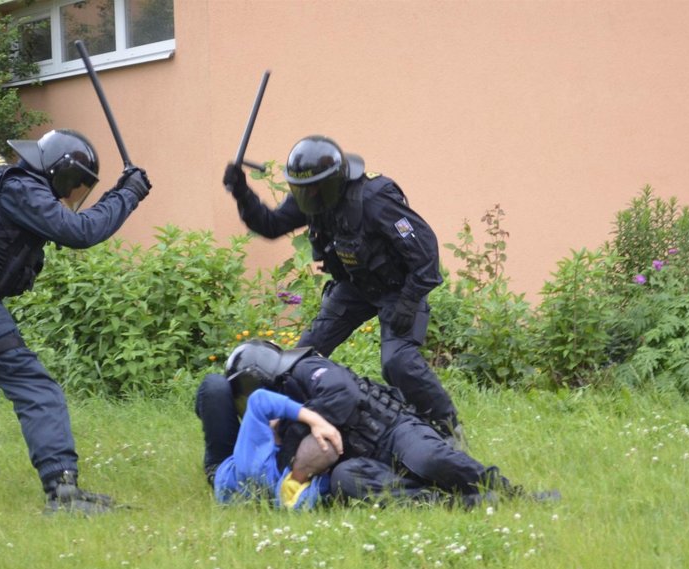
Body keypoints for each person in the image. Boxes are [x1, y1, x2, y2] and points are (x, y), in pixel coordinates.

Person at [0, 129, 151, 513]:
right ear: (59, 170)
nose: (67, 196)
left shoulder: (12, 178)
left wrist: (120, 193)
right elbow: (80, 231)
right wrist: (126, 194)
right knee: (36, 387)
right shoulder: (22, 189)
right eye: (73, 185)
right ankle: (63, 492)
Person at [222, 135, 463, 444]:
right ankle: (290, 432)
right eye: (302, 189)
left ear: (333, 181)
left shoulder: (374, 197)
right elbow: (271, 224)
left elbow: (425, 249)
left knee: (398, 361)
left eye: (313, 188)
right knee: (300, 357)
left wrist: (409, 300)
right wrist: (242, 193)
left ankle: (448, 430)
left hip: (399, 288)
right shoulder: (311, 199)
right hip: (355, 286)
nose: (307, 195)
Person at [218, 339, 559, 507]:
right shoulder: (279, 427)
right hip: (362, 461)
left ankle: (516, 497)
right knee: (346, 481)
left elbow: (343, 394)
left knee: (430, 459)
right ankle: (455, 505)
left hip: (394, 431)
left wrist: (299, 427)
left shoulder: (305, 370)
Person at [208, 387, 342, 509]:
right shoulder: (317, 491)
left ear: (292, 456)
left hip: (226, 470)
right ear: (325, 471)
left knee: (214, 386)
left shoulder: (257, 465)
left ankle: (211, 470)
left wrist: (316, 420)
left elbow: (259, 400)